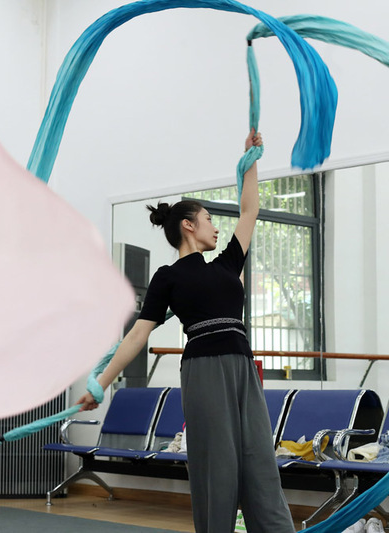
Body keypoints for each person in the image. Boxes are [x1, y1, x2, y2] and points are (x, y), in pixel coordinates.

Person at [76, 129, 295, 533]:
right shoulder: (168, 277)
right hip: (203, 371)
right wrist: (101, 382)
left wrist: (251, 161)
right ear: (189, 225)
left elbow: (250, 212)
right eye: (210, 220)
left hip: (243, 367)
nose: (216, 227)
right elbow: (137, 336)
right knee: (217, 466)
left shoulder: (228, 264)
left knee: (259, 460)